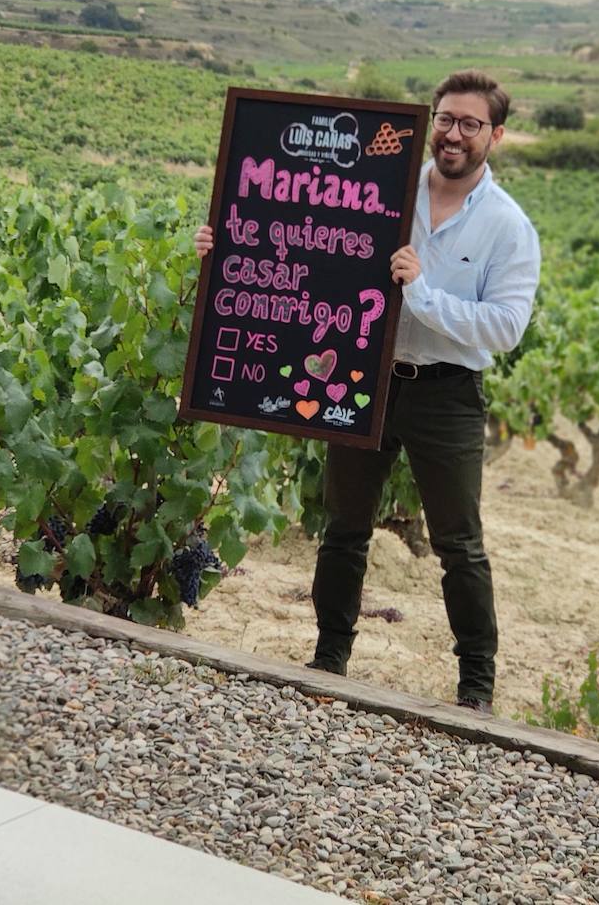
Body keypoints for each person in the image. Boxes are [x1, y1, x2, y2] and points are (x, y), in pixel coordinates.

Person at [195, 70, 540, 713]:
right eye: (445, 119)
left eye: (470, 124)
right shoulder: (381, 189)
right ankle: (329, 660)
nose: (453, 134)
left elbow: (506, 328)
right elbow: (296, 231)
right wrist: (227, 243)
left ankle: (475, 689)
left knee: (458, 543)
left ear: (496, 135)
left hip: (447, 392)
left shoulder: (508, 226)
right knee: (345, 526)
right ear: (431, 120)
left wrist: (424, 297)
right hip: (364, 376)